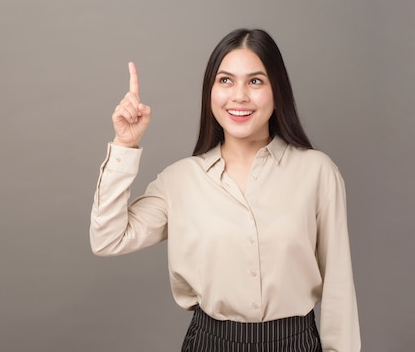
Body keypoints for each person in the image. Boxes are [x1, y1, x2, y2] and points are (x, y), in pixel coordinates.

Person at [90, 28, 361, 352]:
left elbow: (338, 290)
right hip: (210, 343)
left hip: (295, 343)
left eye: (255, 81)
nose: (239, 96)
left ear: (278, 91)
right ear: (210, 92)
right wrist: (124, 144)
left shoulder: (317, 172)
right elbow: (108, 239)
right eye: (226, 80)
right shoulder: (180, 180)